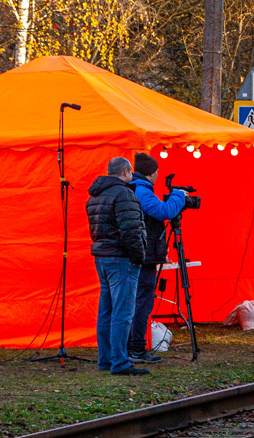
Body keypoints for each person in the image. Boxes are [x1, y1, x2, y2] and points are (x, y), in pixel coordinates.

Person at [86, 156, 148, 376]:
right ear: (126, 172)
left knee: (107, 310)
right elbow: (131, 230)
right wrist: (140, 256)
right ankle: (120, 362)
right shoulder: (124, 194)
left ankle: (106, 359)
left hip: (102, 257)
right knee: (122, 311)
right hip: (122, 259)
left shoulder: (96, 195)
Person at [126, 152, 187, 364]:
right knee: (142, 301)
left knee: (133, 300)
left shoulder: (133, 188)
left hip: (140, 253)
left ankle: (128, 346)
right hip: (145, 255)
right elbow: (163, 211)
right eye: (157, 172)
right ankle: (136, 347)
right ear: (151, 173)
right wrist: (179, 196)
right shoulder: (142, 191)